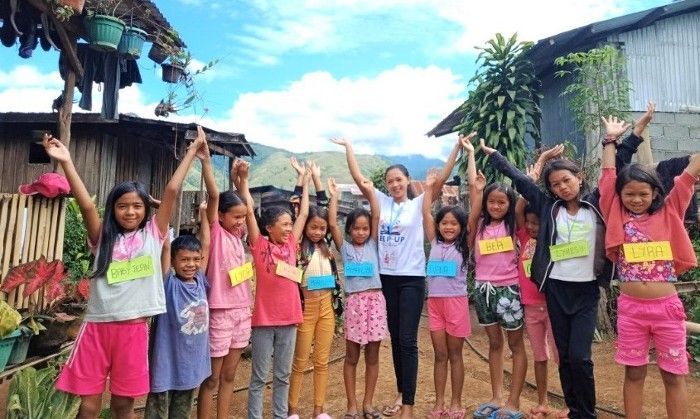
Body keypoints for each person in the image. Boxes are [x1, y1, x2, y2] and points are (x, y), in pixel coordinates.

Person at [46, 128, 204, 418]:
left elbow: (171, 190)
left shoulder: (152, 235)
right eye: (122, 206)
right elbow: (86, 205)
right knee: (89, 406)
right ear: (113, 210)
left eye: (136, 206)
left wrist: (192, 151)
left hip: (132, 331)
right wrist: (67, 161)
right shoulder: (102, 238)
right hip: (96, 328)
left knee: (123, 406)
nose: (129, 211)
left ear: (146, 209)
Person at [331, 136, 463, 418]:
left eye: (399, 180)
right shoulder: (380, 202)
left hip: (412, 279)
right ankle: (402, 393)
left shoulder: (418, 205)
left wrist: (455, 149)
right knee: (395, 339)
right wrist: (349, 149)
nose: (394, 185)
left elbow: (441, 180)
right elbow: (361, 180)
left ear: (407, 180)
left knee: (407, 339)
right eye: (390, 181)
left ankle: (409, 406)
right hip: (385, 281)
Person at [599, 115, 700, 419]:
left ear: (656, 192)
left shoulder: (670, 210)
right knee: (634, 374)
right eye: (629, 194)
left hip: (666, 308)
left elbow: (688, 177)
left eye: (643, 194)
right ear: (621, 197)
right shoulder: (617, 213)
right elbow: (607, 180)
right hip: (631, 309)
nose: (636, 199)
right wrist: (609, 141)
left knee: (674, 375)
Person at [238, 159, 309, 419]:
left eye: (290, 225)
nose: (290, 228)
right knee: (258, 377)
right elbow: (247, 212)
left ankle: (280, 416)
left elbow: (302, 214)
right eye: (285, 225)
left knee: (283, 375)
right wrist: (244, 182)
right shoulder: (260, 246)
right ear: (269, 228)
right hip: (264, 322)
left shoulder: (291, 245)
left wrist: (305, 180)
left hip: (289, 319)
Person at [197, 126, 253, 419]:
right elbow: (215, 196)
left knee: (231, 375)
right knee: (212, 378)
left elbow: (249, 208)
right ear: (220, 217)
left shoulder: (239, 236)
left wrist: (242, 182)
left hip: (242, 310)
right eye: (236, 217)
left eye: (243, 217)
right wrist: (206, 161)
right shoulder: (216, 232)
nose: (241, 222)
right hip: (218, 310)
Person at [468, 150, 527, 419]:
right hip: (483, 290)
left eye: (501, 202)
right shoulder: (478, 226)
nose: (496, 206)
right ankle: (496, 396)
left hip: (509, 290)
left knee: (515, 345)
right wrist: (478, 188)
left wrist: (535, 167)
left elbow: (526, 194)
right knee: (493, 344)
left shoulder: (514, 226)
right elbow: (474, 199)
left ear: (508, 204)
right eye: (491, 202)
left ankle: (513, 401)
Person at [327, 176, 388, 419]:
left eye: (365, 228)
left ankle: (368, 404)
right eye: (356, 228)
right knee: (351, 356)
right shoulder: (345, 248)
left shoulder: (374, 244)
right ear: (349, 230)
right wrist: (334, 196)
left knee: (372, 356)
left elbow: (376, 214)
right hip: (354, 304)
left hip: (375, 303)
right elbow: (332, 224)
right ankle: (352, 405)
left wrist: (370, 191)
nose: (361, 232)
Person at [145, 203, 211, 418]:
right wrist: (163, 211)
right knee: (158, 411)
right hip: (166, 364)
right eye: (184, 259)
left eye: (195, 259)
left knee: (182, 412)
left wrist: (203, 214)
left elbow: (206, 244)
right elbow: (165, 245)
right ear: (173, 261)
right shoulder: (168, 283)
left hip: (190, 366)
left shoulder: (200, 280)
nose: (190, 264)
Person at [513, 151, 564, 419]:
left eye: (537, 223)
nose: (532, 227)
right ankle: (543, 400)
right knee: (539, 356)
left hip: (553, 304)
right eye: (529, 223)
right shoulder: (522, 236)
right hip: (531, 307)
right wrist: (538, 167)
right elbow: (520, 208)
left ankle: (569, 401)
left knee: (560, 355)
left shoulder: (551, 238)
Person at [288, 162, 336, 418]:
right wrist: (302, 182)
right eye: (313, 227)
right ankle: (293, 409)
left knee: (322, 361)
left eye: (322, 228)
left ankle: (319, 409)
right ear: (305, 227)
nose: (318, 231)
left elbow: (325, 209)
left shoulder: (325, 245)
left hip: (327, 307)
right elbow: (294, 211)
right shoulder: (297, 246)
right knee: (299, 362)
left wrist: (319, 180)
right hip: (305, 307)